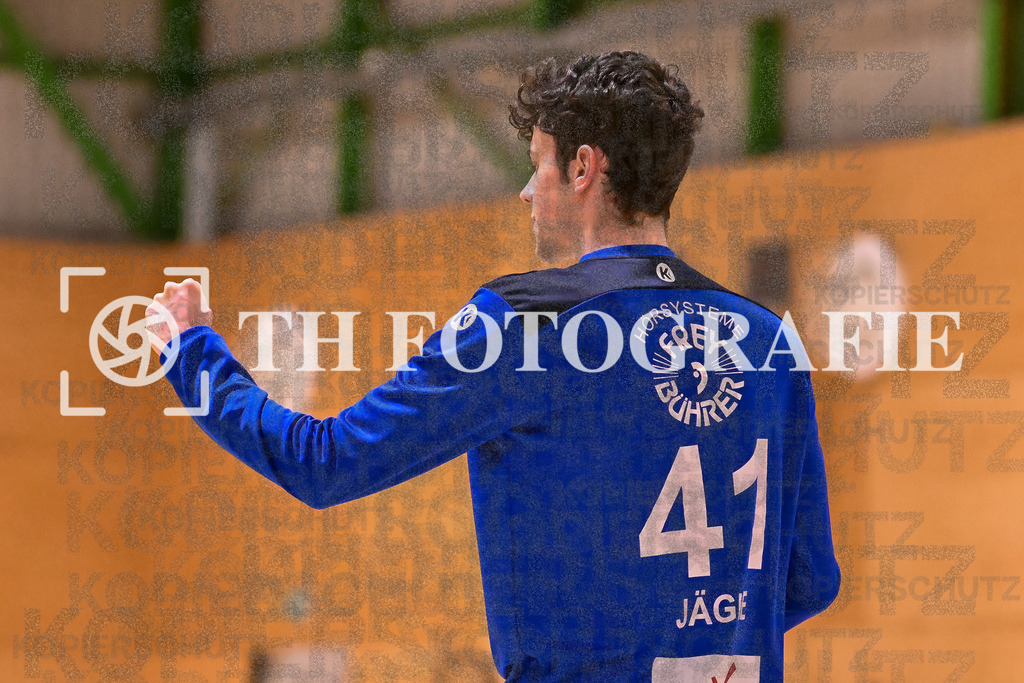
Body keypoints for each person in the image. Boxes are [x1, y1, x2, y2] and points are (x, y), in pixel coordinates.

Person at [147, 51, 840, 682]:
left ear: (582, 168)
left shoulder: (526, 321)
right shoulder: (768, 337)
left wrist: (195, 355)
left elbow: (325, 462)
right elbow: (810, 579)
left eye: (536, 162)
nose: (524, 191)